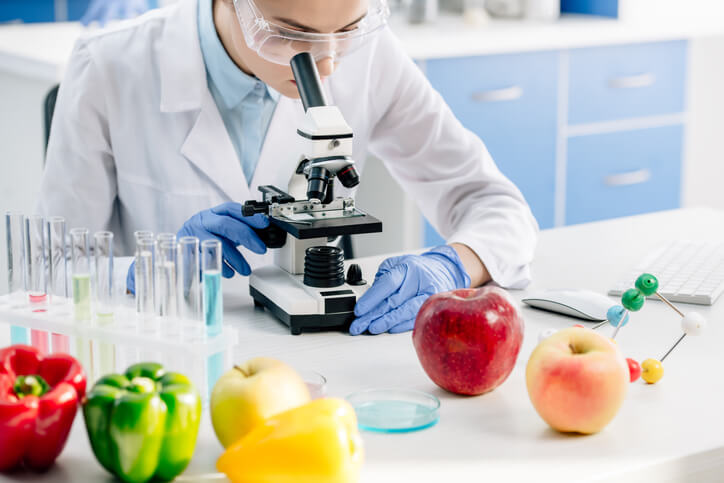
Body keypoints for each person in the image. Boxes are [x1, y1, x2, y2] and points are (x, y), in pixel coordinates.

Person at [38, 0, 538, 335]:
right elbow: (46, 270)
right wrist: (147, 271)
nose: (327, 65)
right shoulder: (110, 66)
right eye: (291, 34)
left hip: (316, 371)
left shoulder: (371, 57)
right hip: (171, 356)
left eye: (346, 31)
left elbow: (494, 205)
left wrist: (452, 263)